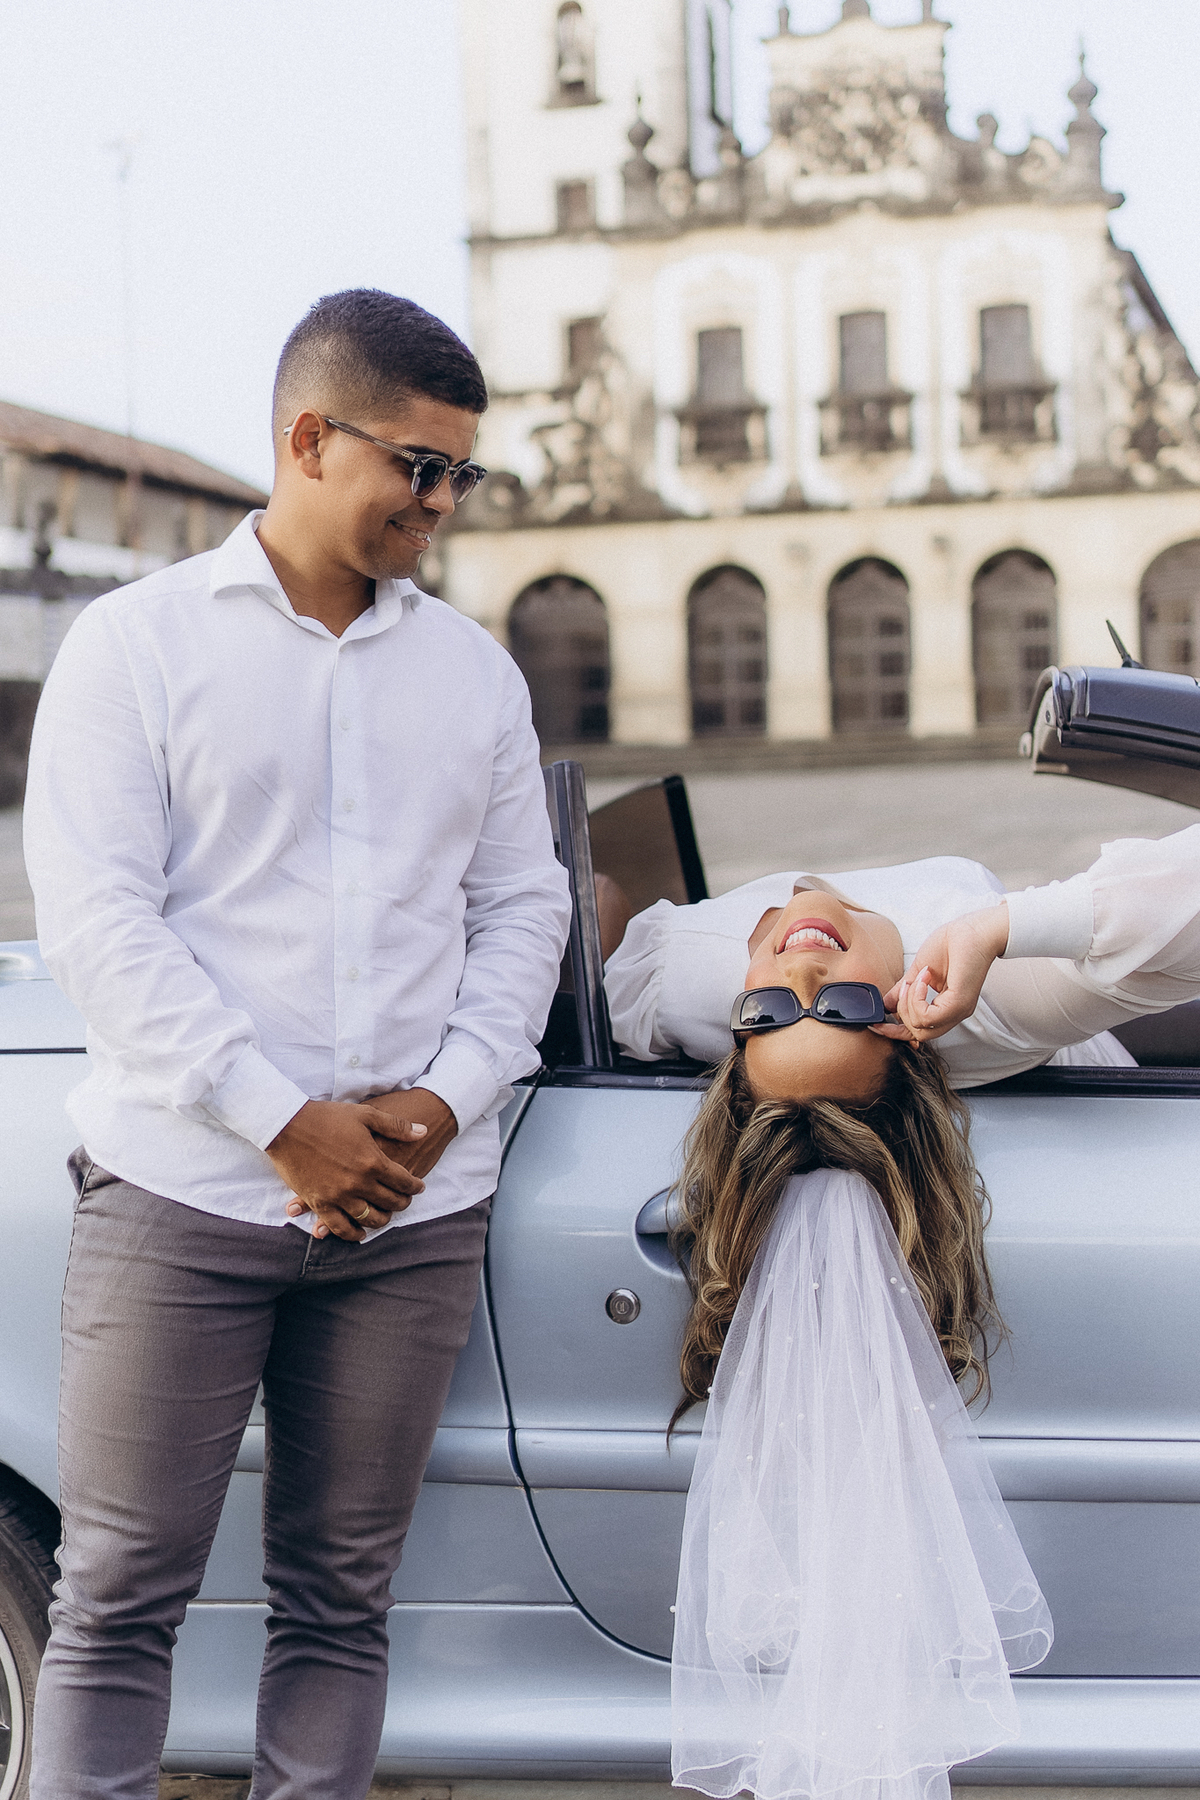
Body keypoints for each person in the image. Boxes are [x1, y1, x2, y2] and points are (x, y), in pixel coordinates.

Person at [22, 289, 571, 1800]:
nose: (443, 505)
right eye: (420, 467)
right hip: (179, 1197)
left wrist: (445, 1107)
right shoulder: (131, 649)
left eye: (464, 477)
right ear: (309, 438)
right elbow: (101, 924)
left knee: (341, 1605)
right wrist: (284, 1120)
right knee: (120, 1599)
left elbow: (526, 911)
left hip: (412, 1215)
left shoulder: (473, 673)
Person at [605, 832, 1200, 1800]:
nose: (800, 962)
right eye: (838, 1009)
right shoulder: (981, 1009)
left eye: (764, 1013)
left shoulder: (672, 986)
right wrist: (1002, 926)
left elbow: (589, 916)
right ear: (906, 1037)